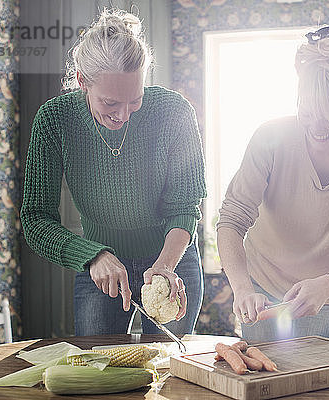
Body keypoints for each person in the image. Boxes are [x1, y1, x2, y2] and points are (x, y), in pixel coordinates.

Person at [20, 8, 206, 336]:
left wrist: (164, 266)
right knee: (98, 371)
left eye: (134, 100)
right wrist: (92, 256)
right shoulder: (54, 121)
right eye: (109, 103)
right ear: (82, 81)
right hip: (99, 268)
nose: (123, 115)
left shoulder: (175, 112)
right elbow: (36, 219)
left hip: (170, 260)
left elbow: (184, 208)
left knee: (172, 371)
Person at [216, 21, 329, 344]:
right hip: (261, 293)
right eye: (307, 111)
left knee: (325, 392)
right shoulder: (269, 138)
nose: (316, 126)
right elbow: (232, 220)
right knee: (264, 386)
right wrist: (242, 288)